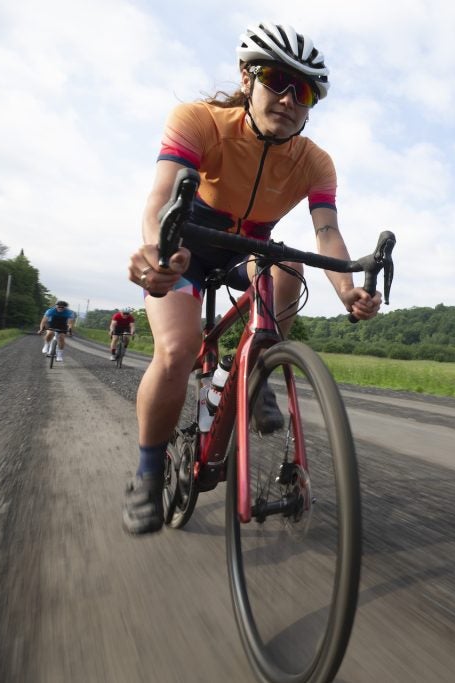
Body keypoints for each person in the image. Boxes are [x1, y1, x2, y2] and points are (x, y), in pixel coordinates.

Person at [122, 22, 382, 535]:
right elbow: (160, 199)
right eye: (275, 80)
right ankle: (148, 473)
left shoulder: (315, 162)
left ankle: (256, 364)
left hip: (250, 248)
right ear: (247, 77)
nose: (288, 98)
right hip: (188, 247)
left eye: (302, 91)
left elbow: (327, 233)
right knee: (177, 350)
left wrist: (349, 290)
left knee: (291, 265)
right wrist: (158, 251)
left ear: (311, 105)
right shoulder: (198, 120)